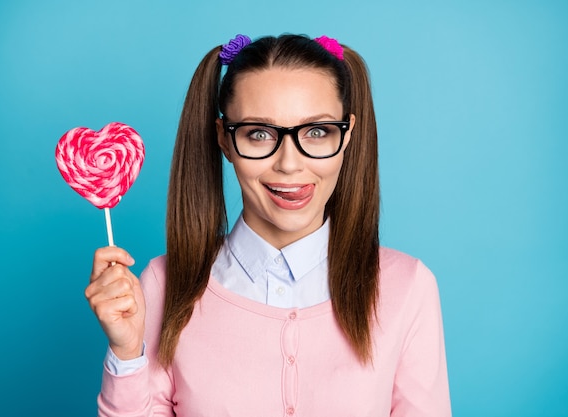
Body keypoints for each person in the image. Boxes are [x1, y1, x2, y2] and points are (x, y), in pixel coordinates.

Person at [85, 33, 451, 416]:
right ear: (224, 140)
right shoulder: (166, 283)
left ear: (347, 136)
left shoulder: (408, 288)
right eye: (259, 134)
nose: (289, 164)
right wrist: (127, 354)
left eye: (317, 131)